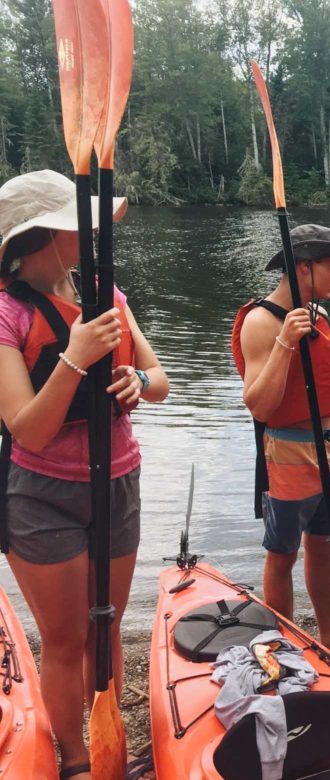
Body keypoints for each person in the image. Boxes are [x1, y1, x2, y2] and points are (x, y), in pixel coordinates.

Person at [0, 170, 170, 779]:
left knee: (109, 627)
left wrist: (137, 380)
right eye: (79, 223)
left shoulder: (109, 295)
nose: (93, 233)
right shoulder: (6, 313)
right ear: (43, 235)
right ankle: (75, 762)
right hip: (43, 496)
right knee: (67, 639)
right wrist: (76, 357)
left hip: (118, 480)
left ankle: (109, 748)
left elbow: (161, 382)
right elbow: (28, 428)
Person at [230, 224, 330, 647]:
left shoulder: (320, 314)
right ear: (303, 267)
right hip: (287, 454)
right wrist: (285, 340)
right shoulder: (260, 321)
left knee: (324, 547)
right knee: (282, 554)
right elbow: (260, 405)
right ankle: (282, 643)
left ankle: (327, 639)